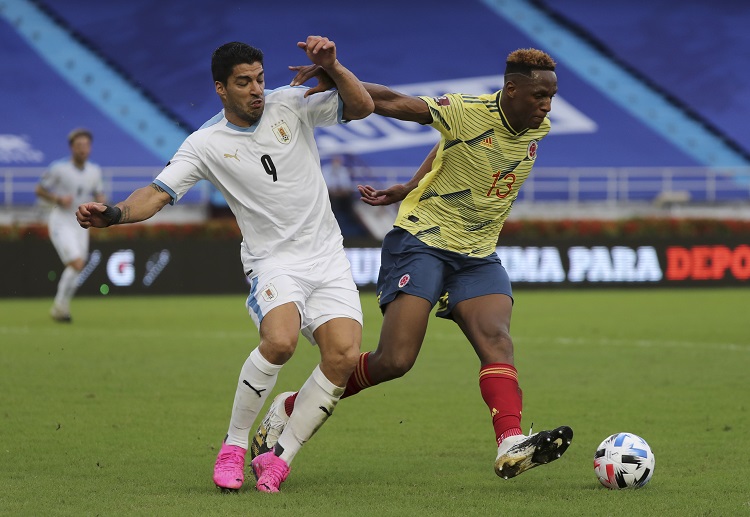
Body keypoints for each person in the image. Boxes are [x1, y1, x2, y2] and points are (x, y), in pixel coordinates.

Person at [252, 48, 573, 480]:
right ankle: (291, 405)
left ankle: (510, 442)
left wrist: (408, 184)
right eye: (539, 95)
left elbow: (449, 149)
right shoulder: (466, 110)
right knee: (396, 360)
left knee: (496, 340)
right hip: (422, 240)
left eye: (551, 97)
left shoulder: (539, 128)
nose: (547, 106)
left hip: (477, 253)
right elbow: (390, 100)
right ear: (511, 89)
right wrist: (339, 73)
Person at [76, 36, 374, 493]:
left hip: (328, 258)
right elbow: (157, 193)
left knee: (344, 357)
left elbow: (362, 107)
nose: (257, 89)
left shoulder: (290, 104)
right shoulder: (205, 143)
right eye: (243, 82)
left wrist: (334, 66)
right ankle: (234, 445)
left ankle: (280, 457)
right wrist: (115, 214)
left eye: (259, 78)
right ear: (221, 89)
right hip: (272, 261)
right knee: (279, 342)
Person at [35, 128, 105, 323]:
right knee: (76, 263)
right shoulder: (59, 168)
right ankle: (60, 306)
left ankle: (61, 309)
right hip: (62, 221)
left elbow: (99, 194)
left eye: (86, 145)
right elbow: (39, 189)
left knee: (78, 266)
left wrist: (104, 207)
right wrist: (57, 198)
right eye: (79, 145)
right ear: (72, 148)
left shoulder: (95, 171)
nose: (83, 149)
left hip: (81, 224)